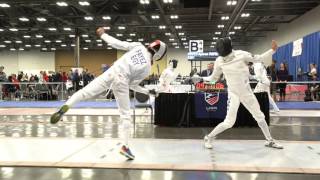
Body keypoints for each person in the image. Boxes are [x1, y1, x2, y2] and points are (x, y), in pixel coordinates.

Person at [50, 27, 167, 160]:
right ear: (158, 56)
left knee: (84, 92)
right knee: (125, 116)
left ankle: (65, 107)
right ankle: (125, 146)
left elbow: (117, 43)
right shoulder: (146, 68)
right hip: (122, 81)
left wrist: (103, 35)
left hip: (111, 72)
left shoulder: (138, 46)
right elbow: (132, 85)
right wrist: (147, 91)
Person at [192, 37, 283, 149]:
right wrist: (201, 78)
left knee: (259, 116)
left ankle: (269, 140)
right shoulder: (219, 61)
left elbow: (259, 58)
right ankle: (208, 137)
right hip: (233, 93)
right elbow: (214, 78)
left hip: (246, 92)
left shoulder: (241, 54)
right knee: (229, 122)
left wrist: (272, 50)